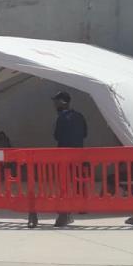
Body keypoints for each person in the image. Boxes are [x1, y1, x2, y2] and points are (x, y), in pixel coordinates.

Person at [52, 90, 89, 227]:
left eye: (56, 102)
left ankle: (65, 209)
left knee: (65, 181)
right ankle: (82, 206)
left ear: (63, 102)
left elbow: (56, 136)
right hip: (79, 153)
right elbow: (85, 133)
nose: (54, 105)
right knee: (80, 180)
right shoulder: (80, 116)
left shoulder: (62, 117)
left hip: (64, 154)